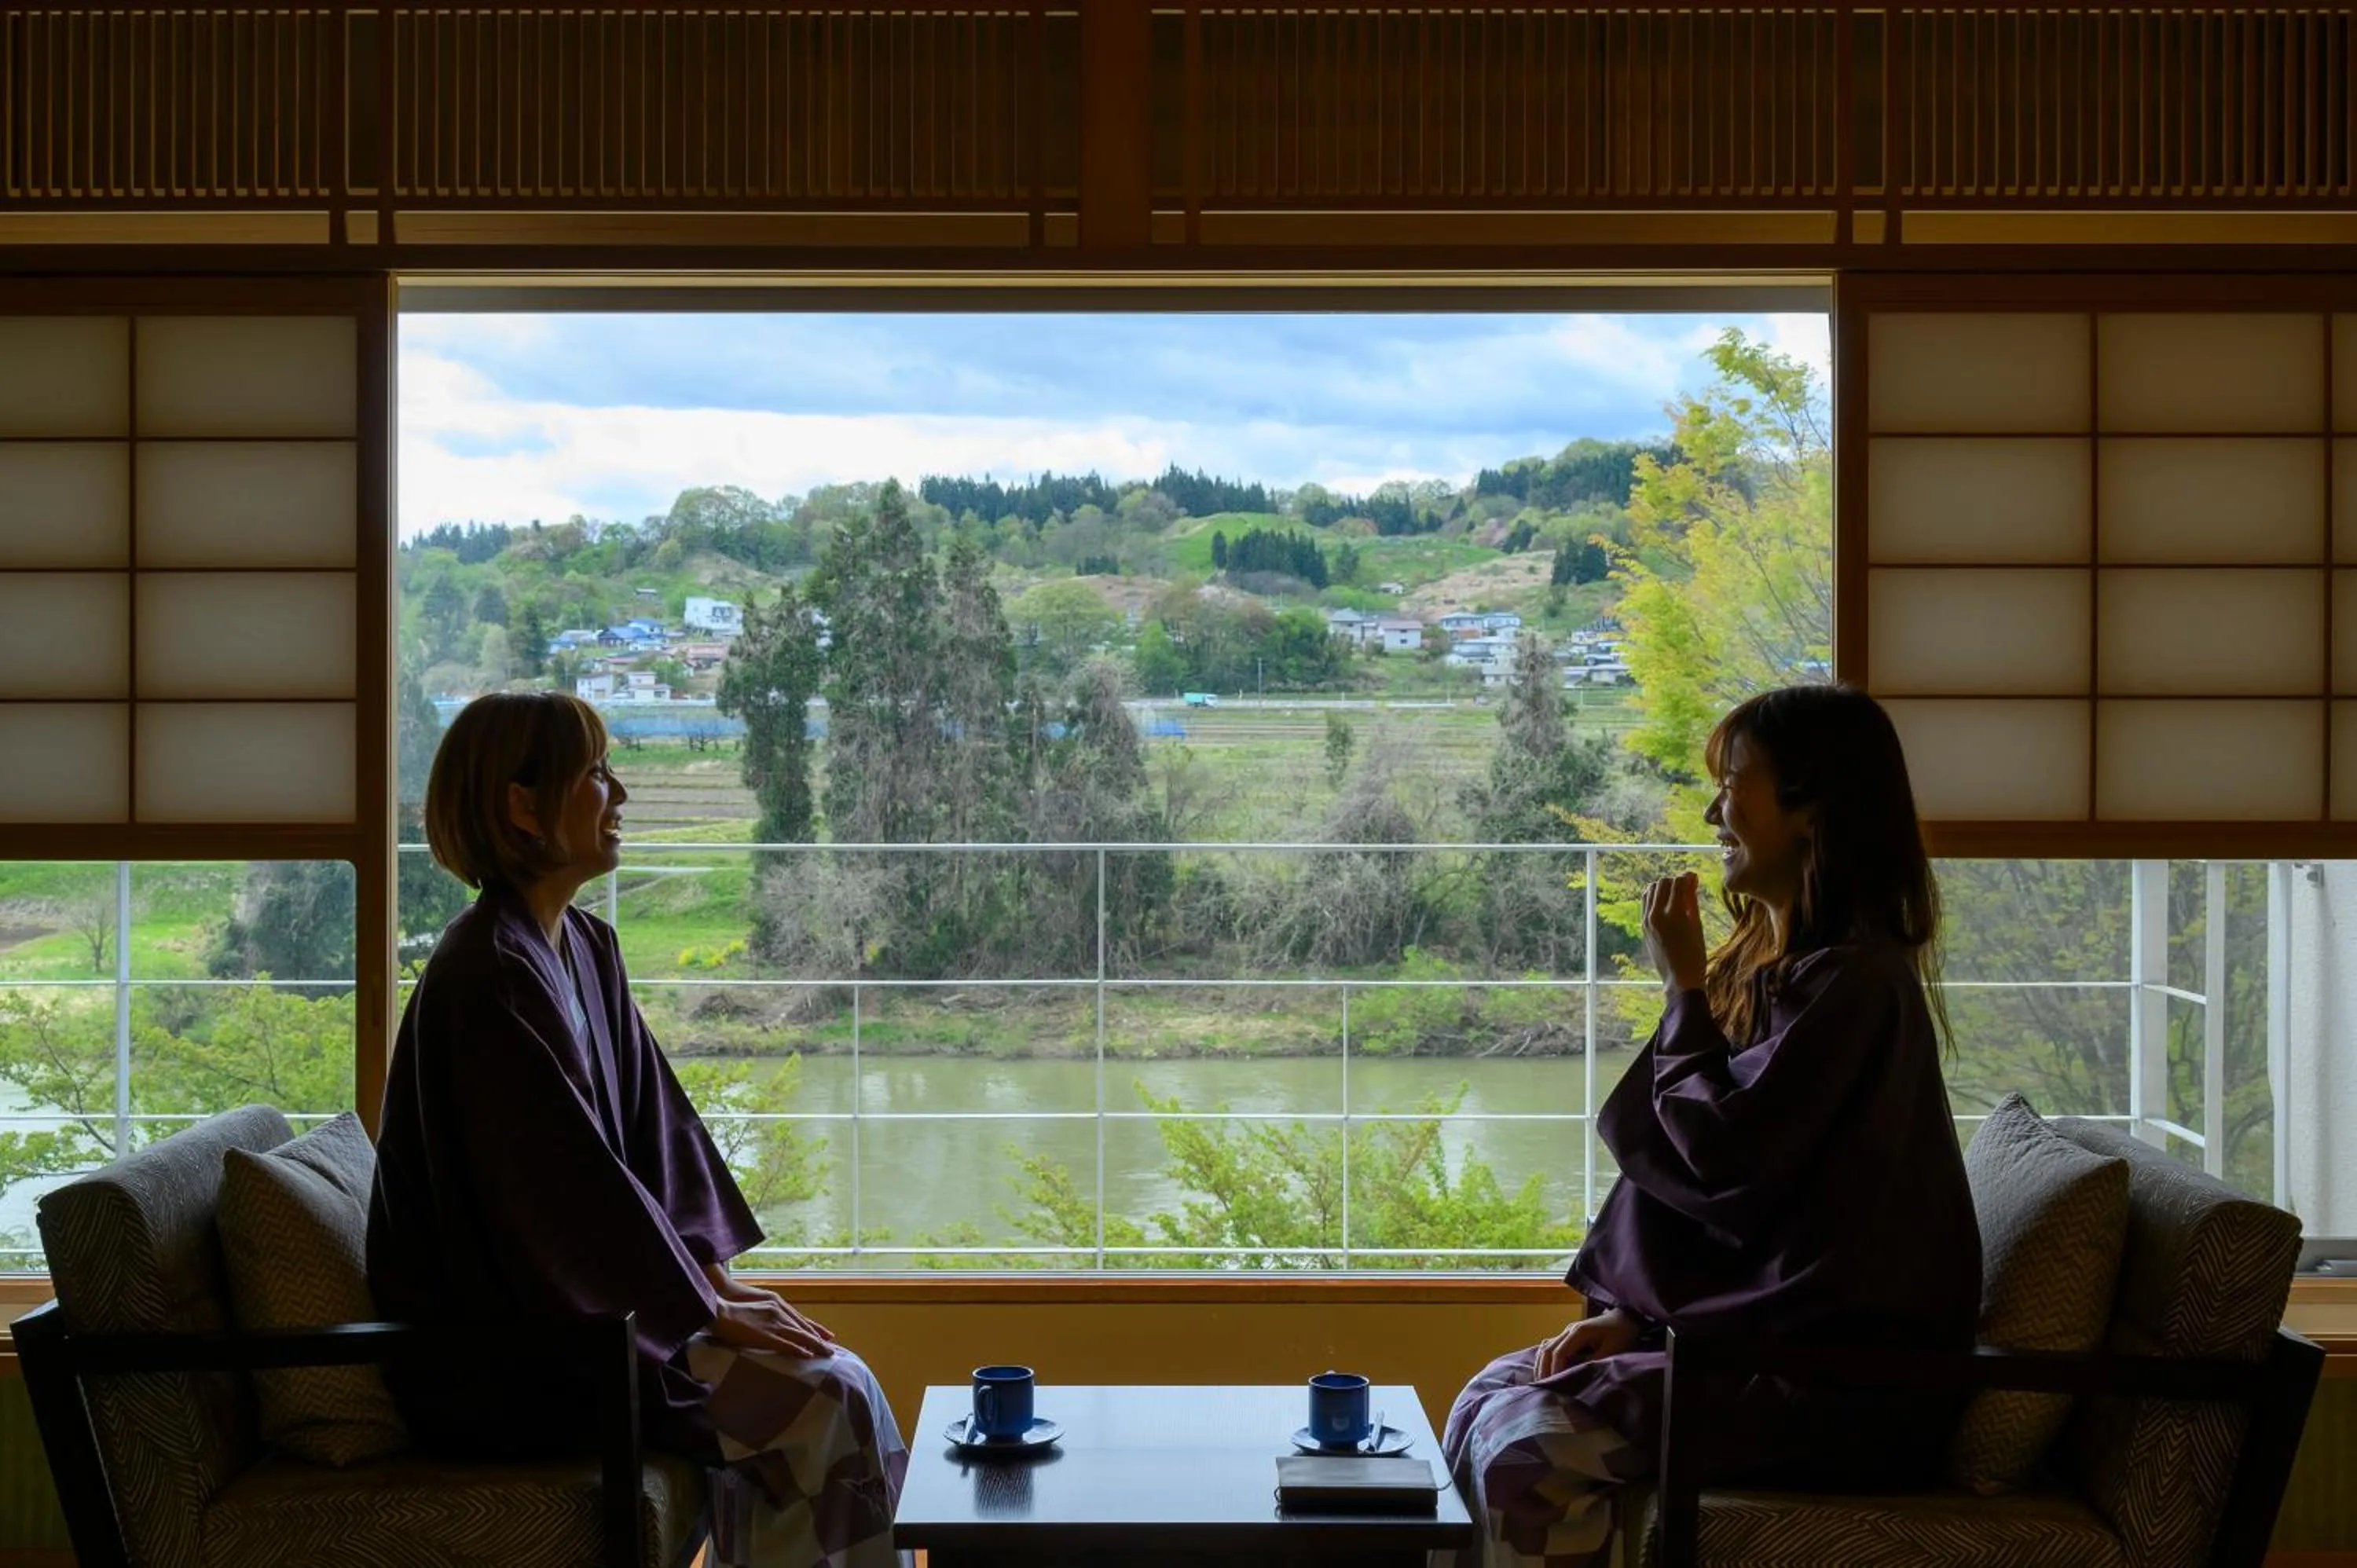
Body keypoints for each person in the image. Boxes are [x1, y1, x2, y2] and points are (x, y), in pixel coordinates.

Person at [1441, 684, 1983, 1567]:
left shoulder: (1857, 991)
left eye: (1733, 783)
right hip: (1766, 1355)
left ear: (1813, 809)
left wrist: (1683, 991)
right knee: (1492, 1391)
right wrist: (1632, 1319)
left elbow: (1725, 1160)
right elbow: (1727, 1193)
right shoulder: (1790, 972)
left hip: (1838, 1390)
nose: (1711, 810)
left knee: (1524, 1452)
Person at [367, 691, 907, 1568]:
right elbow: (560, 1205)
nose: (621, 795)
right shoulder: (486, 981)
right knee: (819, 1407)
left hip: (598, 1321)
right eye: (596, 775)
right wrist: (700, 1311)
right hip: (514, 1357)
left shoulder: (582, 947)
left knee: (837, 1382)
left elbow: (657, 1146)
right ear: (521, 804)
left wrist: (714, 1283)